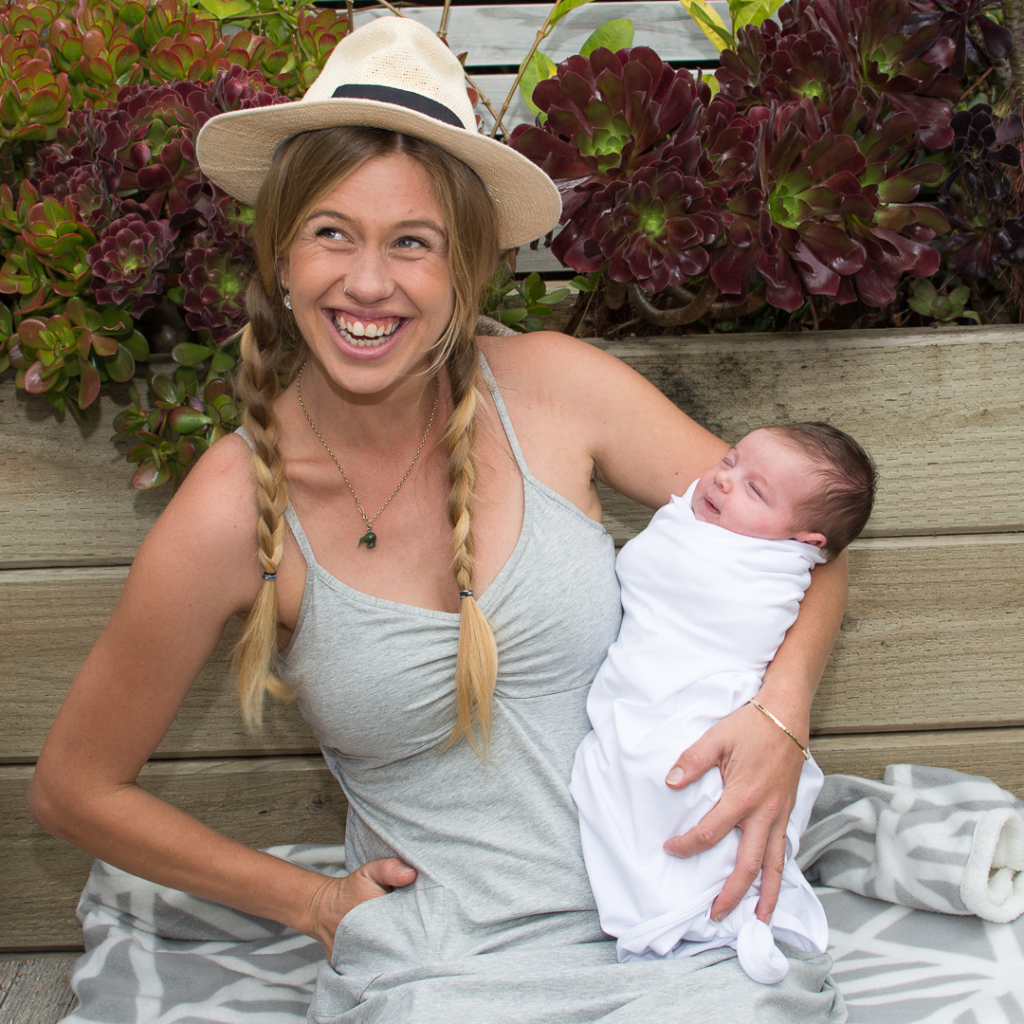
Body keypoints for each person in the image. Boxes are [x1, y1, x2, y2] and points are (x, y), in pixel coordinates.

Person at [30, 17, 848, 1023]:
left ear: (464, 274)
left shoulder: (556, 388)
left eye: (410, 243)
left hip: (692, 935)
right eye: (332, 232)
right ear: (279, 257)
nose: (368, 283)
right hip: (440, 974)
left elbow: (803, 549)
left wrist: (781, 713)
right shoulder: (233, 507)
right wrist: (316, 902)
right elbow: (73, 786)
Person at [571, 424, 876, 986]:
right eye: (730, 460)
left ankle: (708, 908)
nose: (723, 480)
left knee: (677, 779)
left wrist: (780, 715)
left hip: (708, 707)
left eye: (755, 490)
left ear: (804, 544)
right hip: (646, 693)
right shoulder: (707, 518)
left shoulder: (773, 568)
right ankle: (676, 904)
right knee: (629, 775)